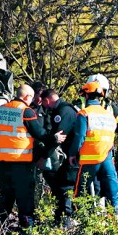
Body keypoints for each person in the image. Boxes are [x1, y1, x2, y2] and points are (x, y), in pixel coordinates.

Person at [0, 84, 62, 229]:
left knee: (6, 196)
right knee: (25, 197)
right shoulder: (26, 111)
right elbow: (39, 133)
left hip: (4, 162)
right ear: (27, 97)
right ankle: (27, 229)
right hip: (21, 161)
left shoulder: (0, 110)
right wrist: (54, 138)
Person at [79, 73, 118, 218]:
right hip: (88, 154)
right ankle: (91, 216)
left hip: (106, 153)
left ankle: (113, 214)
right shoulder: (80, 105)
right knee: (90, 185)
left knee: (110, 183)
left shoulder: (111, 108)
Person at [67, 81, 118, 218]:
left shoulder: (85, 113)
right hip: (107, 156)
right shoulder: (109, 114)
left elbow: (80, 136)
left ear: (86, 96)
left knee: (81, 189)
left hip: (89, 158)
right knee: (112, 186)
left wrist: (72, 154)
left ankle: (79, 217)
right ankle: (116, 214)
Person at [39, 88, 79, 223]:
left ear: (47, 100)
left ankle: (67, 218)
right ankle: (62, 216)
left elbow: (59, 137)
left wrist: (44, 156)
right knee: (62, 181)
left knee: (65, 184)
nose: (44, 107)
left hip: (76, 155)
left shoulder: (64, 112)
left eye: (43, 103)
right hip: (75, 154)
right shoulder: (65, 109)